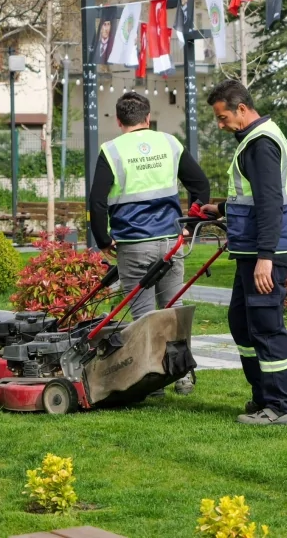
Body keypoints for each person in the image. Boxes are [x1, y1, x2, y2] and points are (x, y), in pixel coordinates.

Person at [89, 92, 210, 396]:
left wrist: (103, 239)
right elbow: (200, 185)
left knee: (143, 317)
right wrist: (191, 224)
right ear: (148, 117)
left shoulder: (112, 151)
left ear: (119, 120)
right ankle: (182, 376)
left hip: (133, 244)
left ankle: (151, 380)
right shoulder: (169, 143)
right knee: (173, 310)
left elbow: (97, 201)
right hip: (170, 240)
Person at [201, 80, 287, 426]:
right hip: (252, 249)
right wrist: (222, 208)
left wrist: (266, 257)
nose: (221, 124)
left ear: (241, 109)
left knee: (266, 326)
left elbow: (271, 203)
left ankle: (280, 406)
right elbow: (255, 198)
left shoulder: (261, 144)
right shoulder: (254, 141)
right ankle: (263, 395)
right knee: (242, 322)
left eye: (223, 117)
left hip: (265, 252)